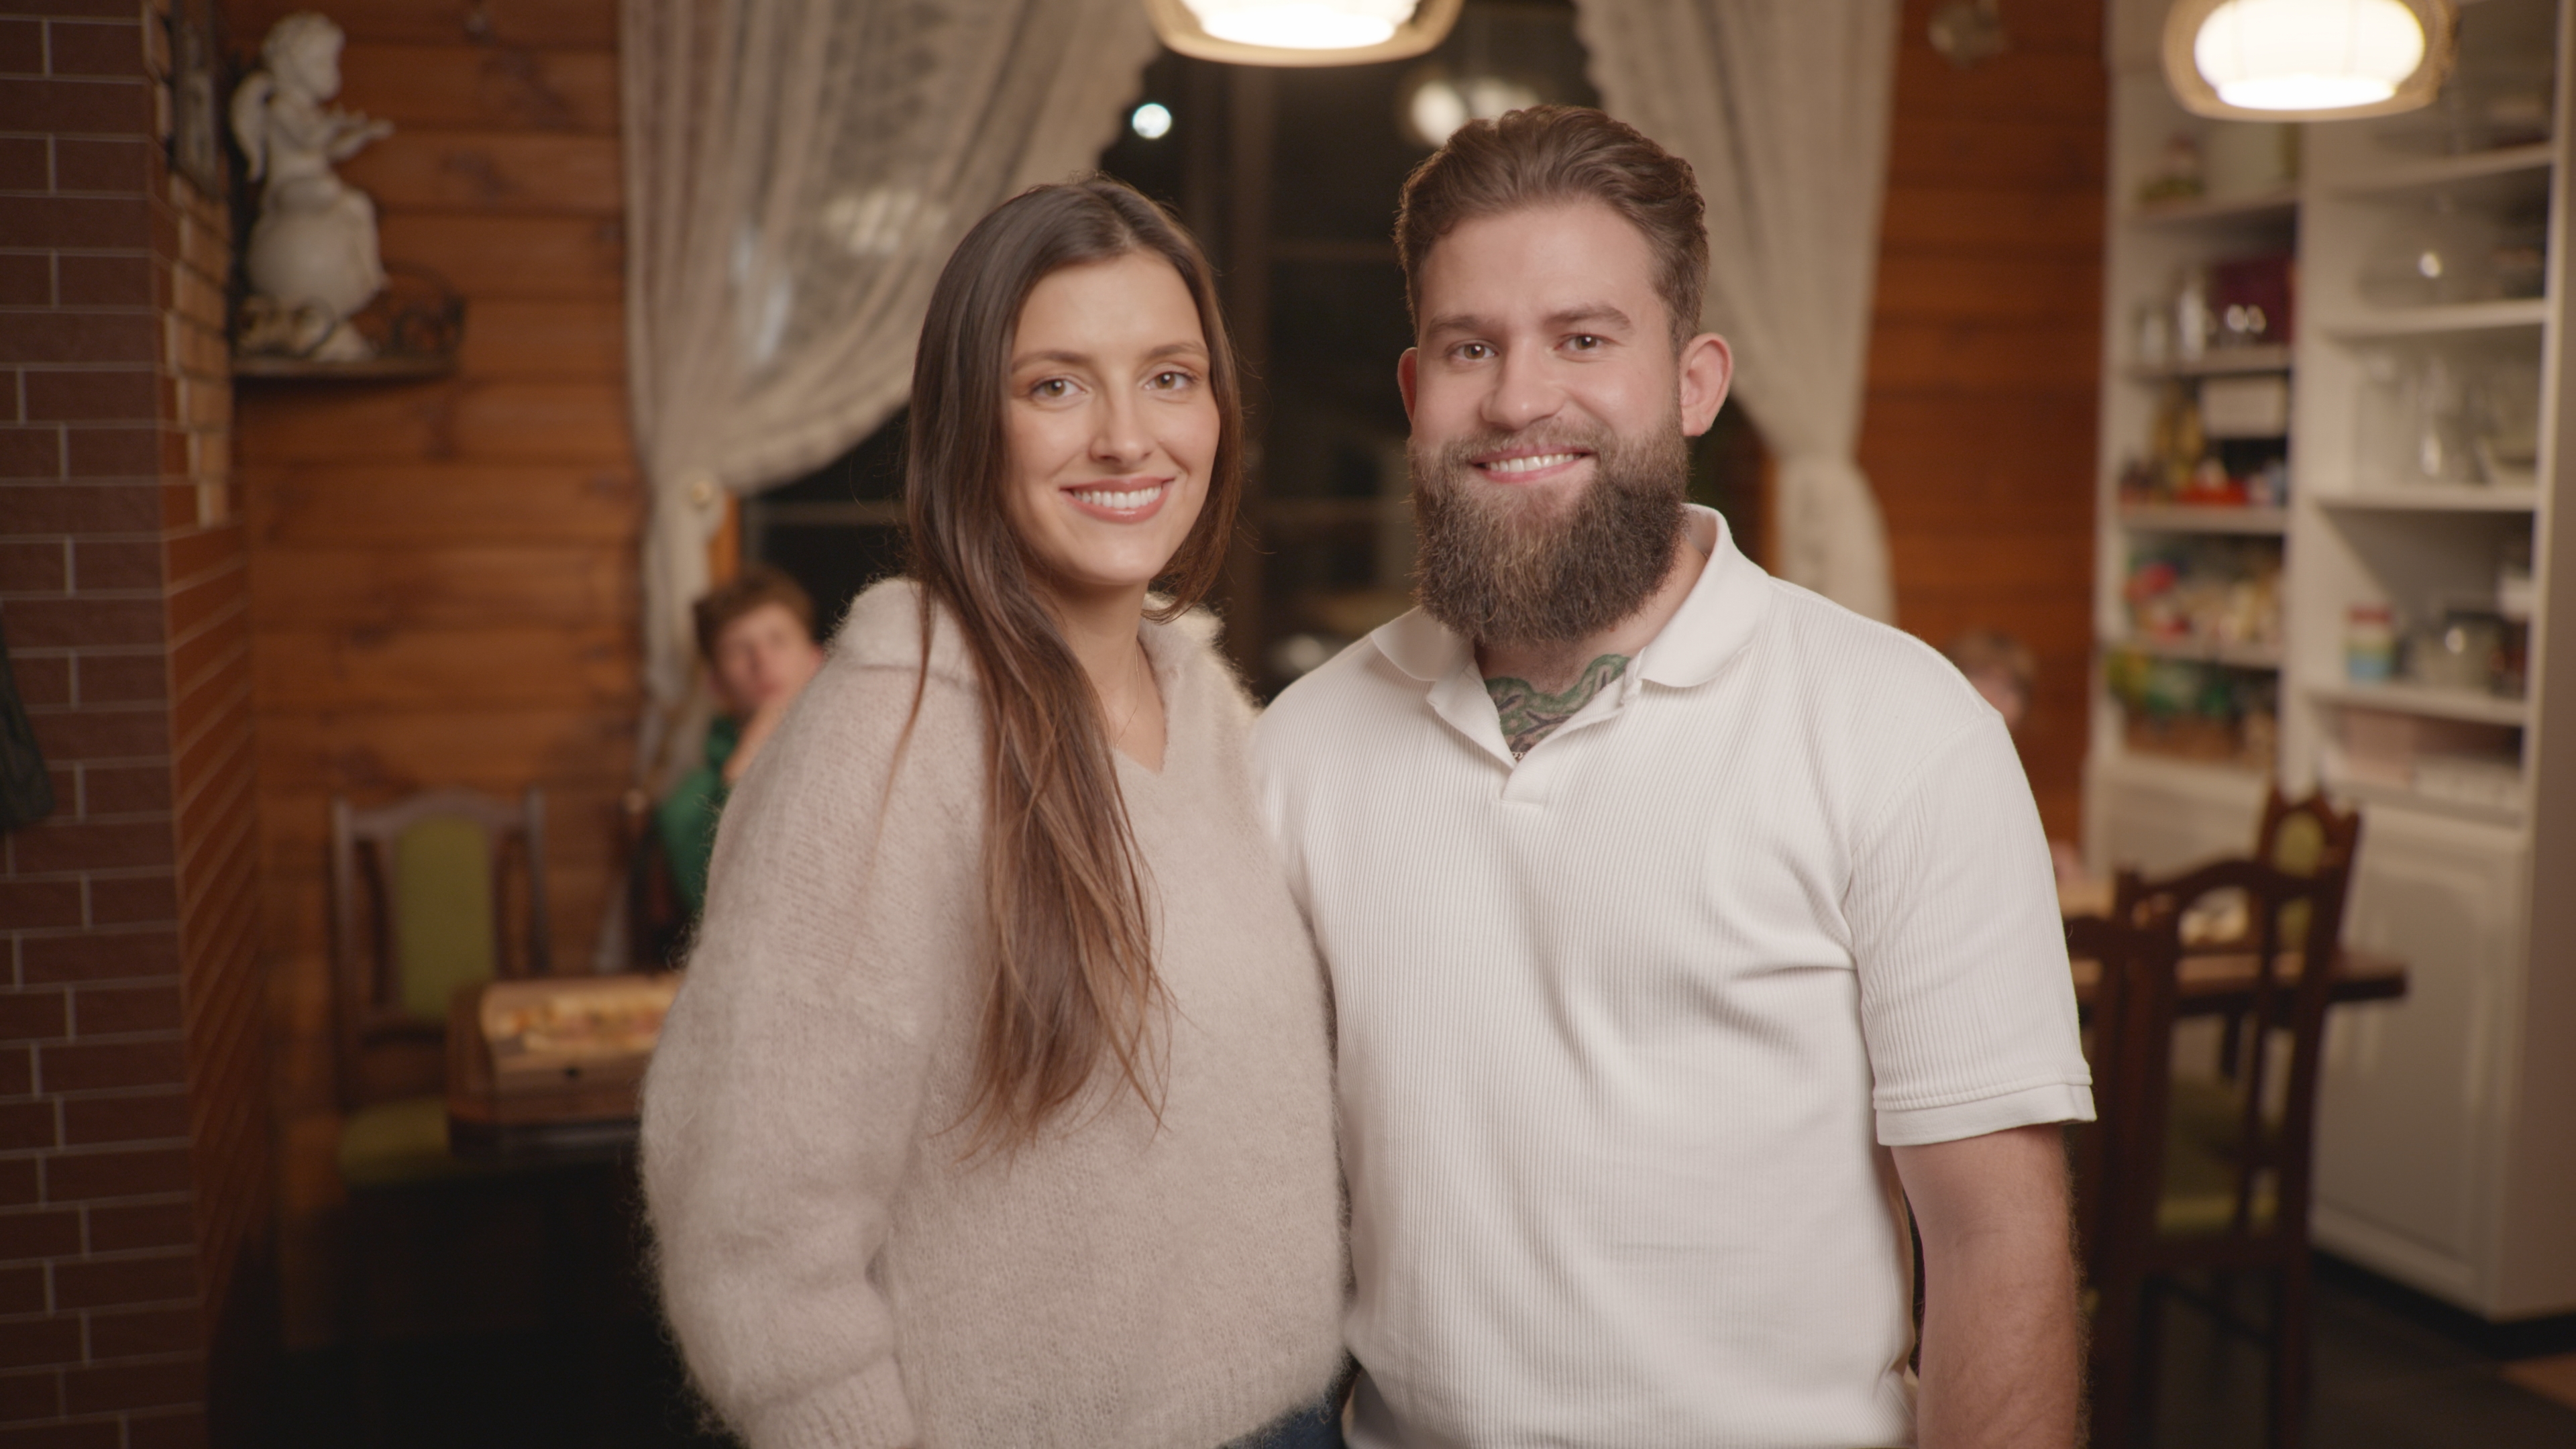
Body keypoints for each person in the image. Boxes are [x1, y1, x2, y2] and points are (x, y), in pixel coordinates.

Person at [1252, 107, 2092, 1448]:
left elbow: (1999, 1245)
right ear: (1416, 394)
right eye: (1472, 348)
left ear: (1696, 383)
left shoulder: (1904, 730)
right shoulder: (1297, 751)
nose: (1519, 398)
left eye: (1584, 340)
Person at [639, 177, 1347, 1449]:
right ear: (971, 423)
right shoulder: (884, 737)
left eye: (1170, 377)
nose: (1128, 437)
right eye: (1057, 385)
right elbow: (751, 1230)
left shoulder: (1215, 709)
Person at [653, 565, 828, 922]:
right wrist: (745, 761)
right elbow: (718, 907)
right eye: (738, 649)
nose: (762, 661)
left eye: (778, 640)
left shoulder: (857, 763)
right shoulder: (688, 807)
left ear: (815, 659)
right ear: (716, 685)